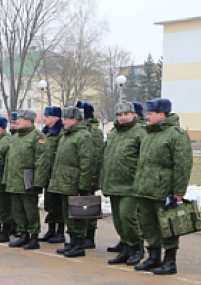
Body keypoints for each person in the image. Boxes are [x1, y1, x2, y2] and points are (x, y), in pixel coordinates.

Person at [132, 98, 193, 275]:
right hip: (145, 188)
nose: (147, 117)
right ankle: (153, 257)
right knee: (148, 225)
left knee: (168, 226)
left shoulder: (176, 134)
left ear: (161, 114)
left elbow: (183, 165)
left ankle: (169, 260)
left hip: (164, 189)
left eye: (150, 114)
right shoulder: (147, 133)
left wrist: (179, 191)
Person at [100, 102, 146, 265]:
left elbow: (145, 160)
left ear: (134, 115)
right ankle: (126, 247)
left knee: (128, 218)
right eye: (119, 115)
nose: (123, 118)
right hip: (114, 184)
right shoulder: (114, 133)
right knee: (119, 220)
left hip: (131, 185)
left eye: (126, 114)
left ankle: (137, 247)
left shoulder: (140, 133)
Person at [48, 107, 94, 258]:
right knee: (68, 216)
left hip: (74, 184)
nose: (63, 122)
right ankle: (72, 242)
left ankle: (79, 244)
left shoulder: (83, 136)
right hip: (63, 182)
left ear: (74, 120)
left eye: (66, 119)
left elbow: (86, 163)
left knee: (77, 216)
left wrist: (83, 185)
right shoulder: (66, 135)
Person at [4, 110, 50, 250]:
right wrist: (5, 179)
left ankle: (33, 236)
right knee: (17, 210)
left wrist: (38, 182)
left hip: (27, 181)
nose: (16, 121)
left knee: (30, 210)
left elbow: (42, 161)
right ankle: (23, 234)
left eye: (20, 119)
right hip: (14, 181)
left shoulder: (38, 137)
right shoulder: (16, 136)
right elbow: (9, 160)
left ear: (29, 121)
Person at [77, 100, 104, 249]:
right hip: (80, 174)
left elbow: (97, 156)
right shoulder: (80, 130)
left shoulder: (93, 132)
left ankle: (89, 236)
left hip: (90, 176)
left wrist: (93, 178)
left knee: (89, 205)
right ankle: (80, 236)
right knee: (80, 206)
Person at [38, 106, 66, 244]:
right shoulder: (45, 133)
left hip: (57, 174)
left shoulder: (60, 133)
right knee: (49, 203)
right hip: (47, 173)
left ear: (55, 117)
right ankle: (51, 230)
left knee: (58, 204)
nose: (45, 118)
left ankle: (60, 232)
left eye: (47, 116)